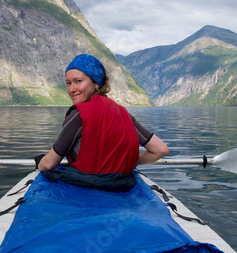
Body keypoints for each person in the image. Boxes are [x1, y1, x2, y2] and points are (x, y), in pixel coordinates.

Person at [35, 54, 169, 191]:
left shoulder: (78, 115)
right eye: (68, 83)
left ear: (96, 83)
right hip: (121, 185)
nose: (71, 89)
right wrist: (129, 164)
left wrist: (40, 163)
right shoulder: (123, 113)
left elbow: (49, 164)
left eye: (78, 81)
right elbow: (160, 150)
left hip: (85, 187)